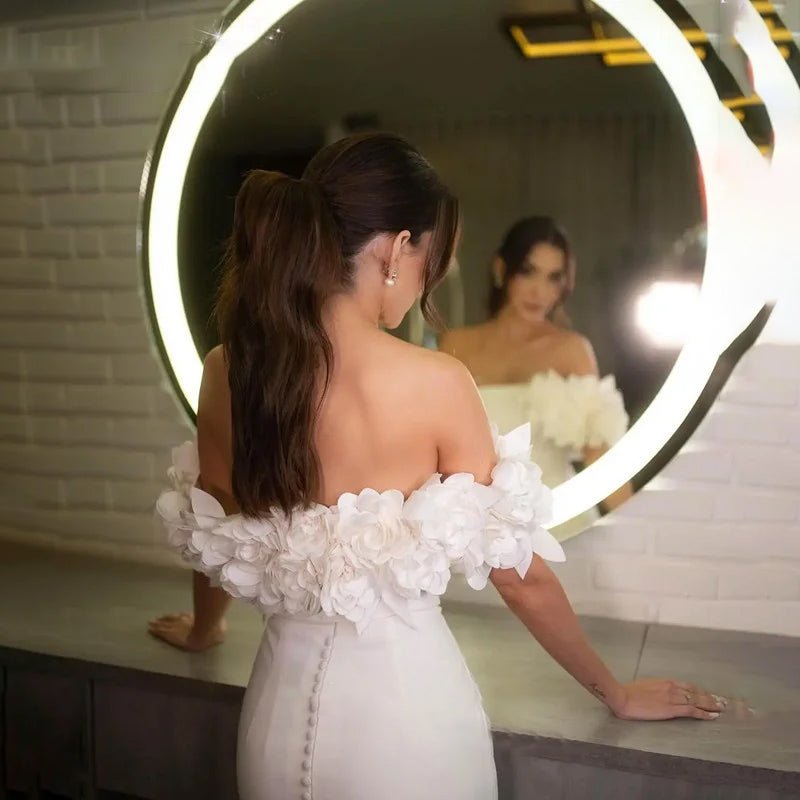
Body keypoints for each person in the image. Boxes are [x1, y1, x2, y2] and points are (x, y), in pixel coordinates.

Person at [150, 133, 723, 799]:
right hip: (407, 727)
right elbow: (520, 577)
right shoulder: (436, 381)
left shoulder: (228, 369)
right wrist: (614, 691)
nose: (434, 275)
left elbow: (215, 527)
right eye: (431, 256)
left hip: (274, 722)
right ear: (397, 248)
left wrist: (204, 629)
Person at [439, 216, 632, 540]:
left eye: (553, 278)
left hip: (560, 521)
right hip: (474, 525)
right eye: (528, 271)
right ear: (502, 269)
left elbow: (598, 454)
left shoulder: (571, 350)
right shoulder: (458, 345)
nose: (539, 291)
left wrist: (636, 530)